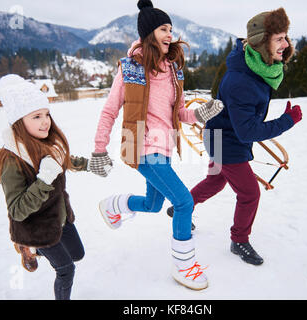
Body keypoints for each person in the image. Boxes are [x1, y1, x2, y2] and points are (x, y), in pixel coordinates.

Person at [89, 0, 223, 291]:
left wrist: (200, 114)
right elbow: (110, 110)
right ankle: (185, 267)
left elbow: (179, 113)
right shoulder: (129, 69)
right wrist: (100, 149)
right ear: (149, 33)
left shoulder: (173, 71)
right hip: (141, 147)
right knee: (184, 201)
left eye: (171, 29)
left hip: (164, 147)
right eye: (164, 28)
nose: (170, 34)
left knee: (153, 204)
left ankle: (113, 205)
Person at [167, 7, 302, 265]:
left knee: (216, 181)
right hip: (227, 141)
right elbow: (247, 131)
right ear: (261, 43)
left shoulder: (254, 63)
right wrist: (287, 121)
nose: (286, 44)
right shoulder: (242, 80)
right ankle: (239, 240)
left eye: (286, 37)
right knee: (250, 194)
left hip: (220, 133)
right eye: (279, 38)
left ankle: (181, 208)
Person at [0, 74, 88, 300]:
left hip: (59, 217)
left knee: (77, 254)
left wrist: (90, 164)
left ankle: (32, 250)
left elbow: (65, 159)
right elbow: (16, 210)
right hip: (35, 228)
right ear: (19, 121)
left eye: (46, 114)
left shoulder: (46, 143)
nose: (45, 121)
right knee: (66, 271)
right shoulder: (12, 161)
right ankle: (30, 245)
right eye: (36, 116)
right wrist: (43, 180)